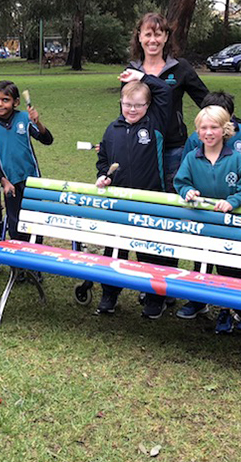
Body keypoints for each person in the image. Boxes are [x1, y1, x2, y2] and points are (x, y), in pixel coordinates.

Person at [175, 89, 241, 321]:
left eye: (214, 127)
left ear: (225, 129)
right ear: (197, 132)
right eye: (204, 128)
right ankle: (202, 302)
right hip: (203, 221)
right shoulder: (192, 157)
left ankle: (240, 311)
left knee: (229, 267)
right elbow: (180, 181)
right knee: (202, 260)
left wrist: (232, 202)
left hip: (228, 224)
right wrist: (187, 191)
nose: (209, 132)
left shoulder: (235, 159)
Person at [94, 68, 173, 319]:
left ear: (148, 105)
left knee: (148, 251)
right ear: (121, 103)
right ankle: (109, 294)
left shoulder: (155, 124)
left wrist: (141, 77)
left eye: (138, 105)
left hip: (149, 200)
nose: (132, 110)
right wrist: (103, 175)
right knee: (114, 249)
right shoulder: (112, 129)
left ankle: (153, 298)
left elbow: (166, 90)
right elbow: (103, 159)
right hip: (118, 202)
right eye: (128, 104)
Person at [123, 13, 208, 192]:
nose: (152, 40)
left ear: (166, 37)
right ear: (139, 36)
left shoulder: (181, 68)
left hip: (174, 148)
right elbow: (125, 113)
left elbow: (207, 101)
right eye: (148, 34)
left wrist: (240, 125)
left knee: (175, 200)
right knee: (145, 199)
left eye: (158, 34)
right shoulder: (131, 71)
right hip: (142, 147)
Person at [0, 80, 53, 242]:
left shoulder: (24, 118)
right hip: (11, 183)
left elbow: (47, 140)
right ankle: (18, 262)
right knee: (15, 222)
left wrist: (37, 122)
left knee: (35, 220)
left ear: (16, 102)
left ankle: (35, 258)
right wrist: (4, 182)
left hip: (32, 180)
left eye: (5, 100)